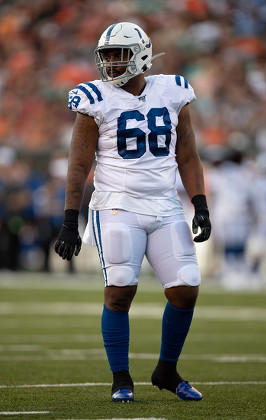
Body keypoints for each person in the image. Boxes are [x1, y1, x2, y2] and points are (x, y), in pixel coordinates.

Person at [54, 21, 211, 403]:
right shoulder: (95, 98)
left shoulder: (172, 91)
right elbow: (78, 164)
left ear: (141, 54)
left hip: (164, 204)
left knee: (186, 289)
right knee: (120, 291)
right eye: (105, 55)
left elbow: (187, 154)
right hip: (116, 206)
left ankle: (166, 370)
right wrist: (69, 221)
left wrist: (201, 204)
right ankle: (121, 377)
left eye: (118, 54)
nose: (109, 63)